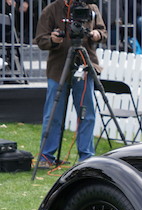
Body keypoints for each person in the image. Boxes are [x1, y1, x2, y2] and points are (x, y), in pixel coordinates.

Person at [33, 0, 106, 167]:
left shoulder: (91, 8)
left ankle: (86, 158)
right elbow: (40, 39)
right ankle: (46, 157)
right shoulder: (51, 10)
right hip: (58, 70)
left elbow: (103, 32)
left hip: (84, 66)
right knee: (53, 114)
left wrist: (97, 34)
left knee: (86, 114)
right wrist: (52, 39)